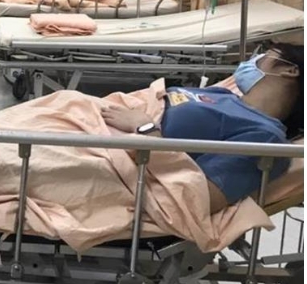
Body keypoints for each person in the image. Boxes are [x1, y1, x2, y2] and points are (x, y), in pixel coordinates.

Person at [102, 44, 303, 212]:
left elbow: (199, 199)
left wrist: (145, 129)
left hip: (105, 154)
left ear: (290, 70)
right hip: (100, 124)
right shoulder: (224, 94)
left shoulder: (265, 137)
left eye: (264, 55)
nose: (248, 62)